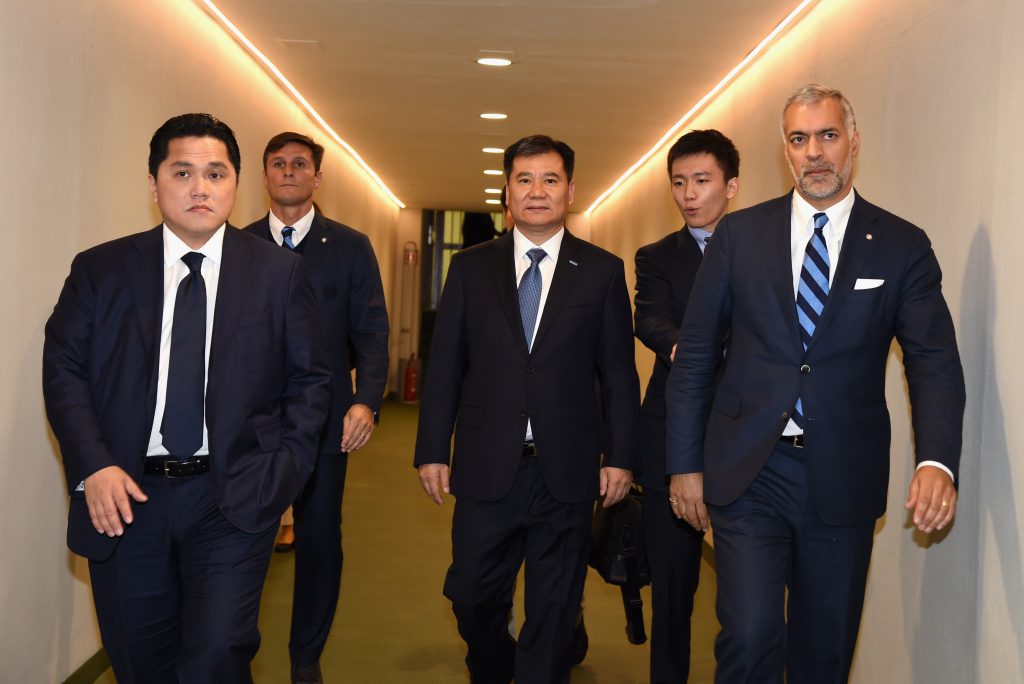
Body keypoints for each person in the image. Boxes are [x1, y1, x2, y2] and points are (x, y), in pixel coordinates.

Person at [665, 84, 966, 682]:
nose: (815, 153)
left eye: (828, 135)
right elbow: (696, 353)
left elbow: (932, 358)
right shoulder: (740, 236)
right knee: (749, 636)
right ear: (786, 151)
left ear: (852, 143)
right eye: (800, 140)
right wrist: (684, 462)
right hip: (749, 471)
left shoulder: (902, 245)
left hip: (841, 475)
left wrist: (938, 461)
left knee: (823, 654)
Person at [42, 113, 331, 683]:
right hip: (124, 496)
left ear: (235, 184)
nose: (201, 188)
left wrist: (283, 472)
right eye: (183, 172)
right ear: (154, 184)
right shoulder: (101, 269)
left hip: (233, 494)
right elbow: (64, 370)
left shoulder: (278, 273)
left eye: (216, 173)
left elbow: (311, 381)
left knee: (219, 653)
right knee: (140, 661)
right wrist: (94, 465)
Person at [414, 134, 640, 684]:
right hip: (486, 462)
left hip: (566, 467)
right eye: (524, 179)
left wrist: (621, 456)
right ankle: (494, 667)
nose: (537, 191)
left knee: (555, 607)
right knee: (469, 593)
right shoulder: (470, 268)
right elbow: (445, 365)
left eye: (550, 179)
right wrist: (431, 450)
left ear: (569, 190)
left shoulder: (603, 271)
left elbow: (617, 372)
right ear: (507, 192)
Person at [243, 132, 390, 684]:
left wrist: (366, 402)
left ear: (317, 177)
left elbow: (372, 333)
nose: (288, 172)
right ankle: (236, 645)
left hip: (325, 422)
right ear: (264, 176)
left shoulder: (349, 247)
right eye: (277, 164)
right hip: (251, 425)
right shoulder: (240, 244)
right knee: (245, 535)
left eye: (299, 164)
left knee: (320, 538)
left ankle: (306, 657)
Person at [634, 129, 739, 683]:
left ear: (732, 185)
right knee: (674, 592)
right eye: (679, 182)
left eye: (702, 181)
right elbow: (648, 317)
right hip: (670, 433)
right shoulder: (656, 257)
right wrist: (690, 350)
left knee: (747, 598)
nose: (689, 194)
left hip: (745, 437)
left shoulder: (764, 251)